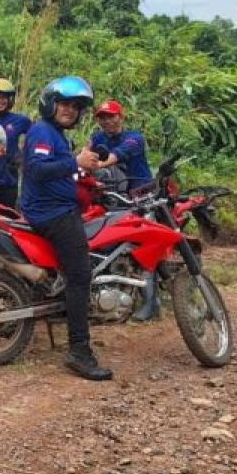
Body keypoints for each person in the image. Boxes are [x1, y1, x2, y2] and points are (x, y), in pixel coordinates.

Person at [20, 75, 112, 381]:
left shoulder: (57, 134)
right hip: (52, 214)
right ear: (50, 103)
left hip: (60, 209)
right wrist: (75, 162)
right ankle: (79, 351)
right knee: (80, 275)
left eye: (75, 106)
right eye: (64, 104)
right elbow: (36, 169)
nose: (70, 110)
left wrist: (86, 175)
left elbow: (59, 172)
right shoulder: (42, 131)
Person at [90, 99, 158, 320]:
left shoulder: (134, 138)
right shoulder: (98, 138)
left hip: (142, 195)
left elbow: (117, 155)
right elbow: (88, 152)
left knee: (145, 245)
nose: (107, 121)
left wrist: (96, 164)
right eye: (102, 117)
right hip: (114, 197)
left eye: (111, 116)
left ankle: (151, 302)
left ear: (121, 116)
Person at [0, 78, 32, 209]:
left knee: (5, 222)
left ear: (10, 100)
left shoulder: (20, 120)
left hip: (7, 182)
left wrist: (23, 156)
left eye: (4, 98)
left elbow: (37, 137)